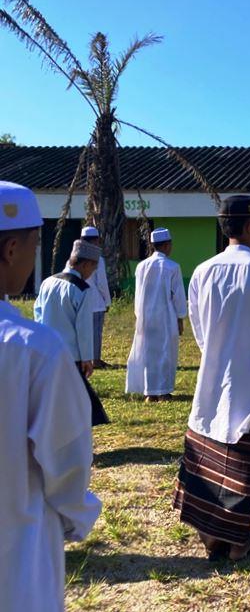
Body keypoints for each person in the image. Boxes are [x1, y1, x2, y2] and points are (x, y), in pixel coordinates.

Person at [173, 195, 250, 562]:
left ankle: (211, 535)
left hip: (213, 379)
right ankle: (237, 541)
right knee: (245, 462)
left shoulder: (202, 271)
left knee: (210, 455)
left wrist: (216, 355)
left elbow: (199, 329)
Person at [0, 181, 100, 612]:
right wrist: (77, 516)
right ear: (11, 250)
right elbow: (66, 456)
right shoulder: (33, 350)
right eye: (34, 243)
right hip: (17, 553)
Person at [35, 239, 109, 427]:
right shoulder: (82, 289)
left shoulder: (47, 282)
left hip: (47, 351)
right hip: (71, 355)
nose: (91, 273)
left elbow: (38, 314)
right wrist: (87, 358)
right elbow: (83, 328)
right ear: (85, 264)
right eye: (92, 269)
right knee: (78, 401)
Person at [125, 228, 187, 403]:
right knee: (165, 352)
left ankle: (149, 391)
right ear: (167, 245)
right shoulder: (172, 267)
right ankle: (163, 391)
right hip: (166, 316)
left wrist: (139, 315)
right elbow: (178, 295)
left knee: (148, 353)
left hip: (146, 316)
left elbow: (138, 295)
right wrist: (180, 317)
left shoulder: (141, 266)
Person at [78, 226, 112, 369]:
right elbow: (101, 283)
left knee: (83, 332)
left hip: (79, 300)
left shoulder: (76, 257)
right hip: (96, 302)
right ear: (95, 240)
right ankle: (96, 360)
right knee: (96, 333)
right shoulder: (98, 259)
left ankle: (84, 358)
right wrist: (107, 301)